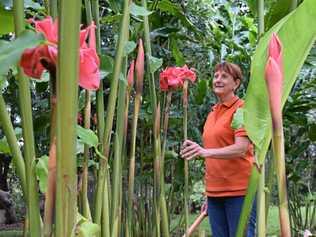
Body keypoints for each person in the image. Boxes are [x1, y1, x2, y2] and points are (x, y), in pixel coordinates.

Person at [180, 62, 256, 237]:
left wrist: (205, 152)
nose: (218, 80)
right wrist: (208, 194)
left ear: (236, 83)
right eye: (216, 76)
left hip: (239, 190)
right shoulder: (212, 113)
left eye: (224, 76)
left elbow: (241, 148)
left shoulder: (242, 109)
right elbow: (212, 157)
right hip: (214, 192)